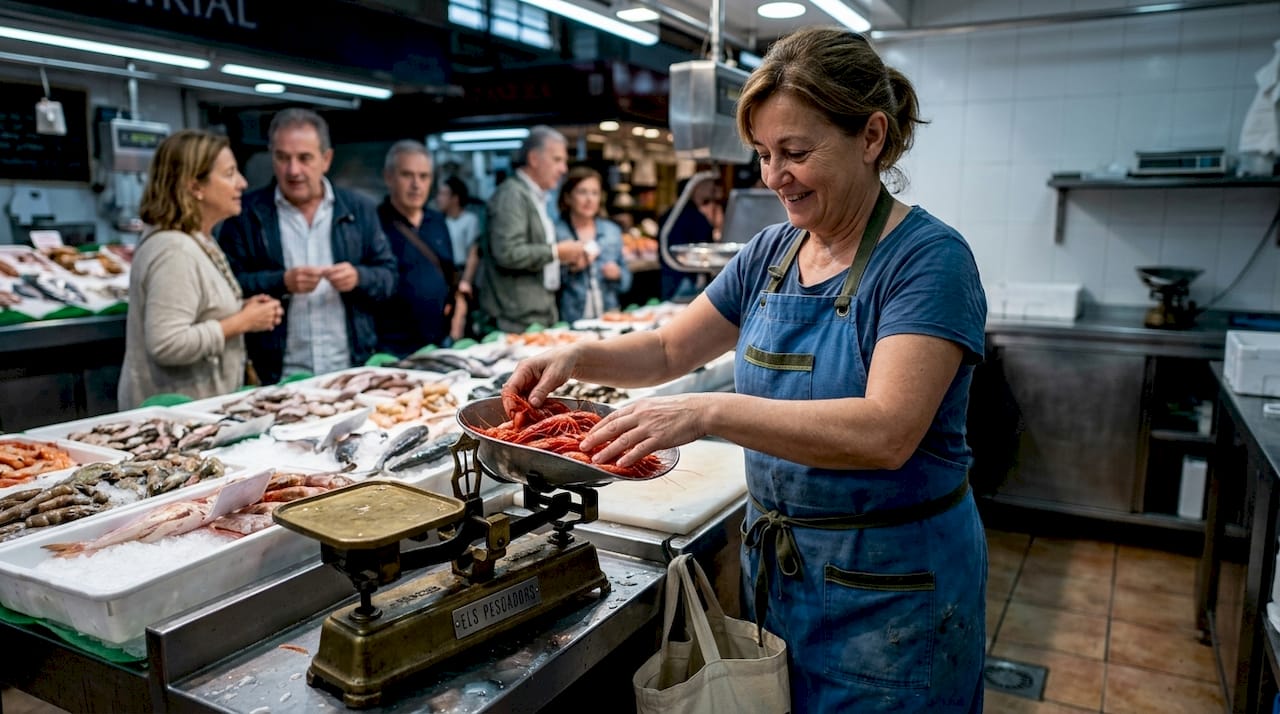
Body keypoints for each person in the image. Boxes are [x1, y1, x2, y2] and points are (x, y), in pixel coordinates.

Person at [503, 26, 987, 713]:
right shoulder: (774, 252)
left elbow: (887, 431)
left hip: (895, 594)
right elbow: (671, 351)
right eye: (763, 154)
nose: (772, 176)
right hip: (785, 580)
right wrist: (579, 355)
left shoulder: (928, 262)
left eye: (795, 152)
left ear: (871, 136)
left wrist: (707, 412)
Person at [217, 108, 397, 384]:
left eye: (304, 158)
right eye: (282, 158)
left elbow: (389, 278)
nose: (293, 170)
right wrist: (282, 282)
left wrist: (359, 277)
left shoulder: (359, 210)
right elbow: (227, 290)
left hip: (350, 368)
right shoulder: (245, 216)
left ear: (326, 159)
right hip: (277, 374)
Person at [119, 129, 283, 409]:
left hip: (197, 413)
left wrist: (241, 309)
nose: (242, 183)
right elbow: (167, 344)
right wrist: (242, 322)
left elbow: (196, 312)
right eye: (230, 174)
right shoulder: (174, 250)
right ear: (196, 187)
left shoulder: (199, 239)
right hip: (171, 421)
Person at [475, 125, 584, 333]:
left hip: (535, 314)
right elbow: (507, 253)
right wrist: (557, 252)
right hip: (513, 320)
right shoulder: (512, 195)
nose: (564, 169)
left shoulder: (538, 196)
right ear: (534, 159)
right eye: (557, 160)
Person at [375, 140, 460, 356]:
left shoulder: (438, 221)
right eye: (407, 175)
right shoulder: (374, 223)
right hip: (391, 347)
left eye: (424, 176)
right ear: (388, 177)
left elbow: (449, 270)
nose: (416, 185)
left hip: (439, 341)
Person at [554, 166, 631, 323]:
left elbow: (626, 280)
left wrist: (617, 275)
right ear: (567, 197)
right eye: (582, 192)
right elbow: (545, 281)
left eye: (594, 193)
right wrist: (571, 269)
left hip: (609, 317)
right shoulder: (556, 232)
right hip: (571, 319)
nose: (589, 199)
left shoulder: (612, 231)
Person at [657, 174, 723, 301]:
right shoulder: (695, 217)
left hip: (669, 275)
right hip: (687, 278)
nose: (710, 191)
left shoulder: (668, 214)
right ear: (694, 190)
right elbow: (708, 245)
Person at [437, 175, 481, 341]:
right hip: (444, 274)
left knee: (462, 320)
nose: (439, 198)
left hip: (462, 273)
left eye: (443, 194)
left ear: (455, 198)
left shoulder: (470, 220)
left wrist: (466, 280)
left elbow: (473, 252)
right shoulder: (439, 222)